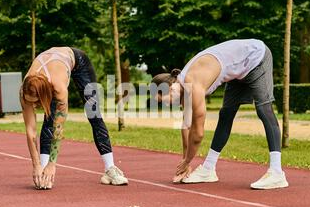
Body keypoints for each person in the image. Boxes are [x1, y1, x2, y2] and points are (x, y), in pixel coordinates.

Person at [152, 39, 288, 190]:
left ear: (170, 88)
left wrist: (187, 160)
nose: (166, 105)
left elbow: (198, 133)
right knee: (226, 114)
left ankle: (277, 173)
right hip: (239, 70)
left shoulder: (192, 83)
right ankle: (208, 169)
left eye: (164, 101)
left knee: (264, 110)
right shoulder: (184, 89)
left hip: (255, 57)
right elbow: (187, 127)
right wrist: (186, 163)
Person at [20, 47, 128, 189]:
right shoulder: (24, 92)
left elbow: (58, 128)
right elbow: (31, 132)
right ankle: (43, 175)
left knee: (93, 114)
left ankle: (110, 169)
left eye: (35, 102)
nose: (33, 105)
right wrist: (36, 165)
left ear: (45, 94)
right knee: (49, 118)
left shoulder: (58, 88)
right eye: (30, 102)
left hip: (79, 62)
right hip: (52, 65)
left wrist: (53, 165)